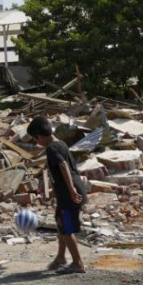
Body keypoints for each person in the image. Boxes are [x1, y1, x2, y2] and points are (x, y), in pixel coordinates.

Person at [27, 116, 87, 274]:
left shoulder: (51, 148)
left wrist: (71, 190)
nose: (37, 142)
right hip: (70, 191)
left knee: (66, 227)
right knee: (61, 223)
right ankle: (61, 257)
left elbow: (62, 164)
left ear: (39, 136)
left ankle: (77, 263)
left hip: (70, 193)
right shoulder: (60, 143)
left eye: (35, 139)